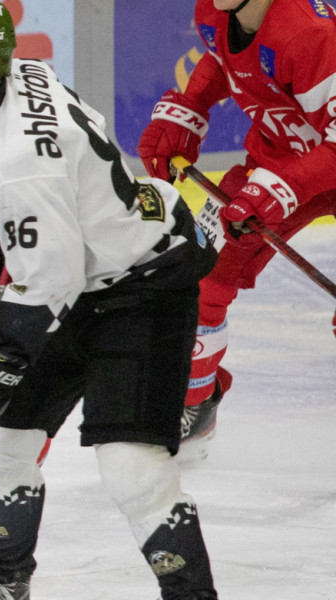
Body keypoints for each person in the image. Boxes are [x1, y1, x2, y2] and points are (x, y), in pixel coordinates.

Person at [0, 1, 224, 599]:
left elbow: (47, 281)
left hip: (144, 286)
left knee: (132, 469)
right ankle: (5, 584)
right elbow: (59, 221)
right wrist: (14, 236)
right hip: (83, 269)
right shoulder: (15, 74)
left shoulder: (18, 158)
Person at [134, 0, 336, 463]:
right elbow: (224, 61)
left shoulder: (311, 34)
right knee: (203, 272)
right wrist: (190, 107)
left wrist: (289, 185)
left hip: (318, 161)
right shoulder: (213, 11)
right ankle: (194, 404)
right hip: (278, 161)